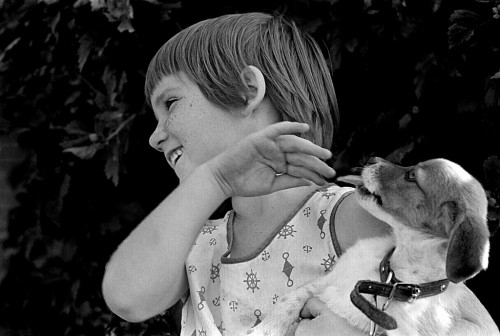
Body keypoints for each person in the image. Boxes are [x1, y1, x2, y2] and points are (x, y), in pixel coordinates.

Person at [102, 12, 499, 336]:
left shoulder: (347, 218)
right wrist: (214, 181)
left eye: (170, 103)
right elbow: (127, 299)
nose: (155, 137)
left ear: (246, 90)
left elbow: (477, 329)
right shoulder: (198, 245)